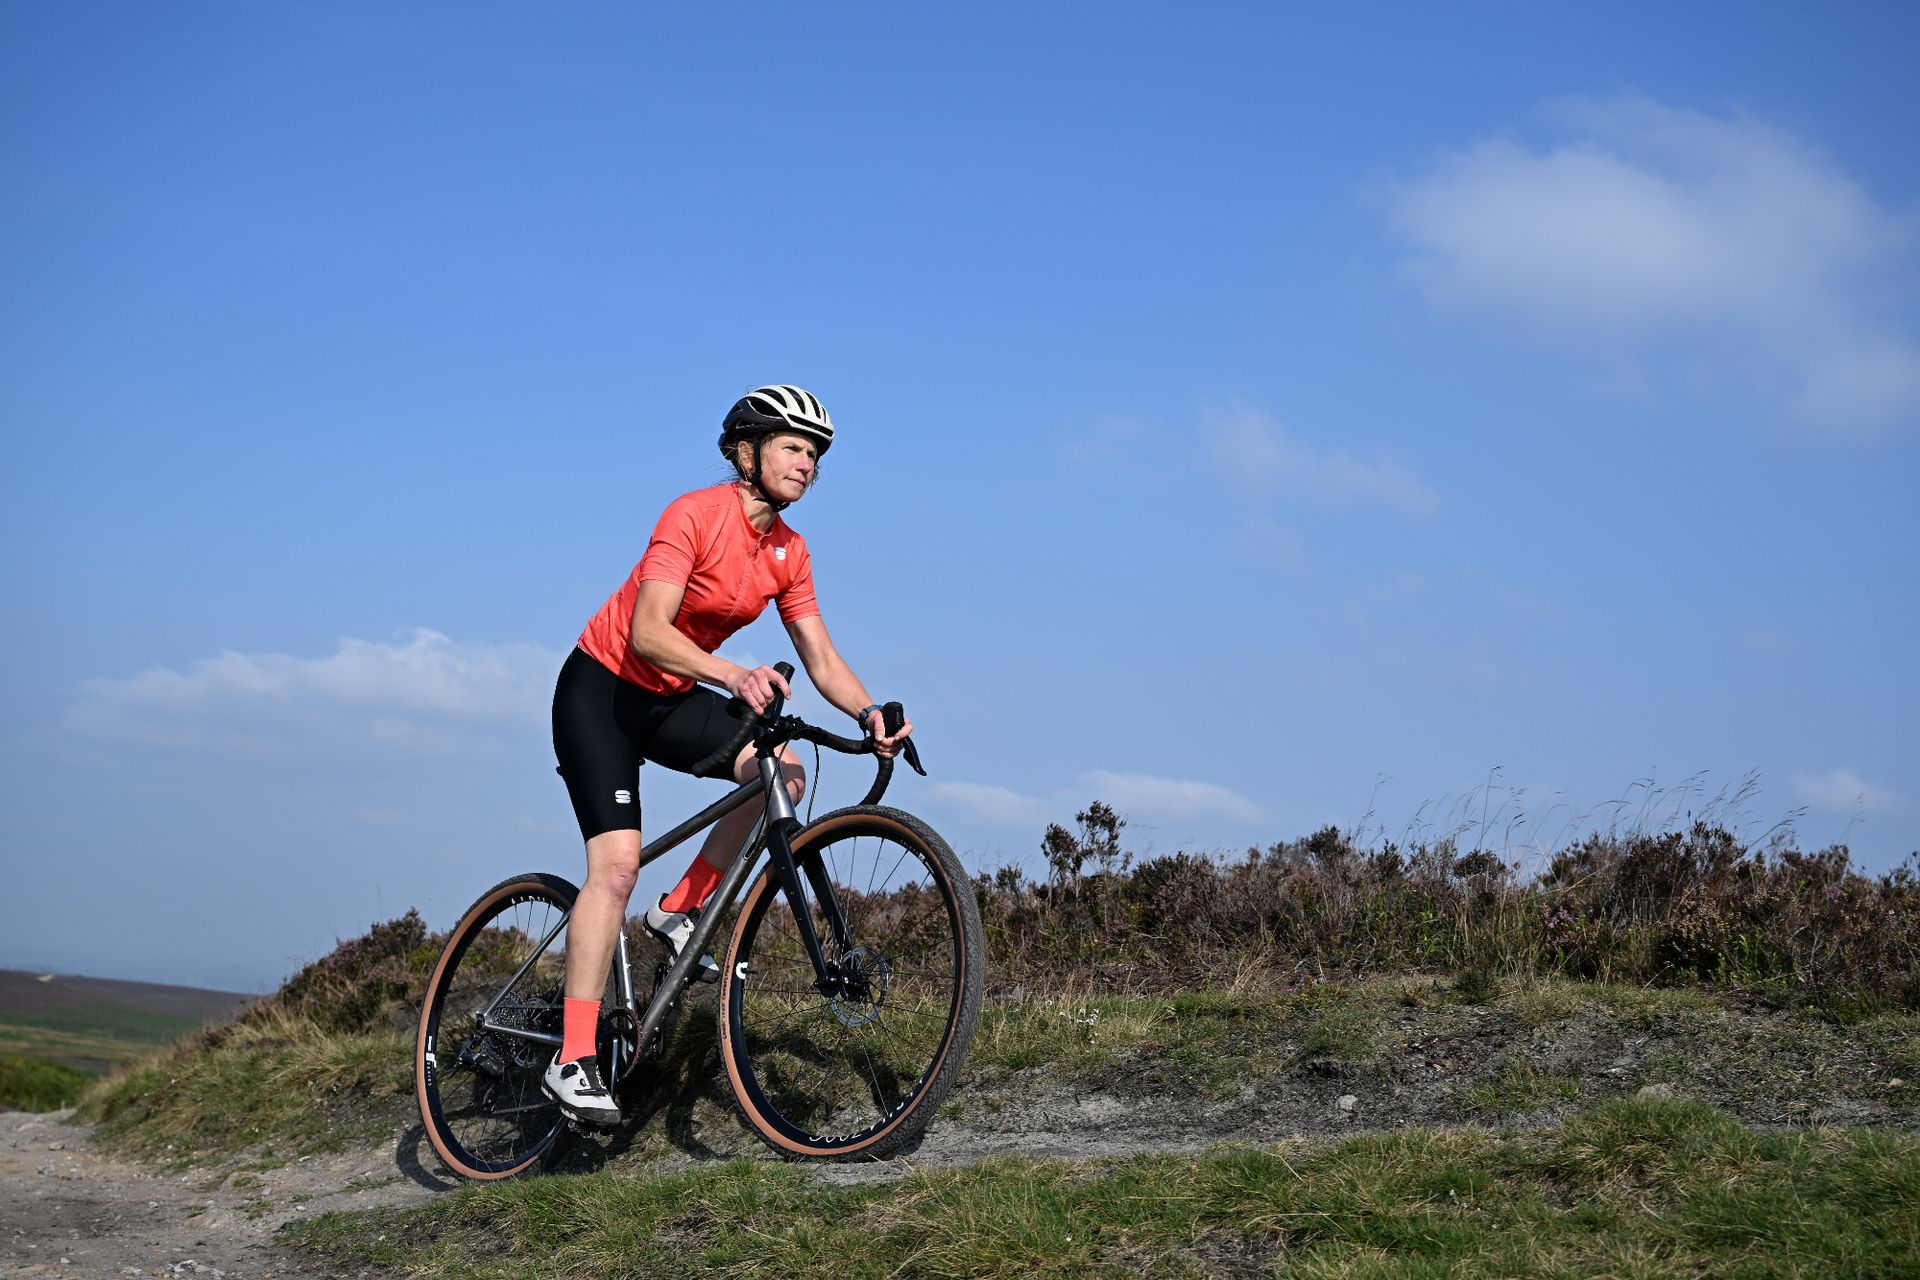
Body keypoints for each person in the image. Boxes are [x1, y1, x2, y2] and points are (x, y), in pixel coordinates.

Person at [542, 384, 912, 1125]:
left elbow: (821, 658)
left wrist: (871, 711)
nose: (807, 463)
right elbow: (648, 630)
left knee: (785, 770)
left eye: (815, 454)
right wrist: (733, 673)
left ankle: (680, 909)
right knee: (614, 868)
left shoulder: (788, 551)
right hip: (602, 692)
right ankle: (572, 1058)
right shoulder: (694, 514)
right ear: (747, 451)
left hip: (675, 696)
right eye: (793, 447)